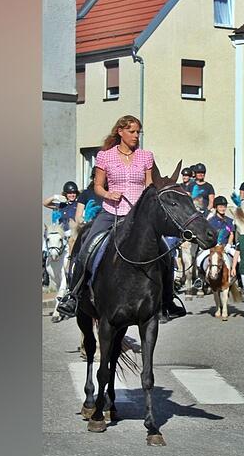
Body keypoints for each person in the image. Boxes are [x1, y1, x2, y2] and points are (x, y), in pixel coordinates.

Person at [56, 115, 185, 319]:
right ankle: (73, 296)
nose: (136, 136)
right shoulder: (104, 157)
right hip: (111, 212)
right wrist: (108, 194)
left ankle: (168, 301)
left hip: (138, 216)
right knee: (87, 247)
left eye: (138, 132)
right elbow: (98, 186)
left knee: (166, 252)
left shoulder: (146, 156)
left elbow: (149, 186)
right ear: (120, 132)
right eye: (132, 132)